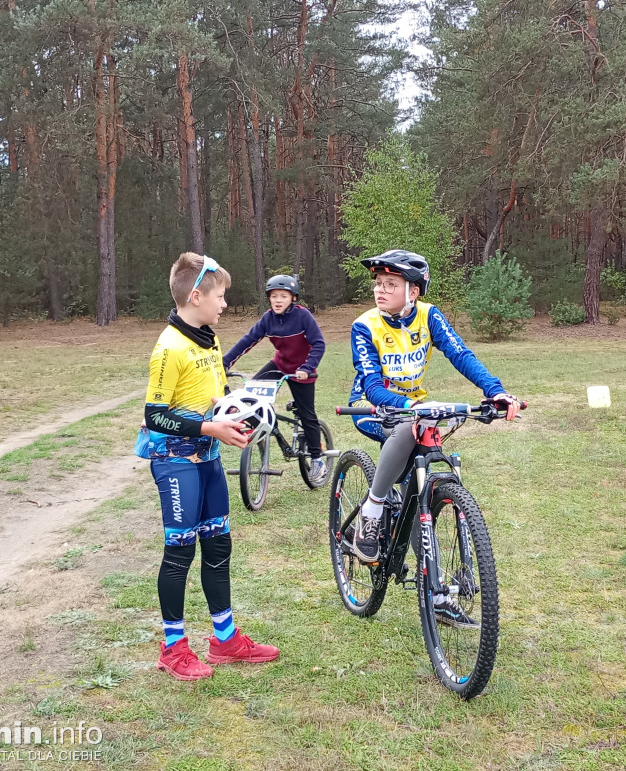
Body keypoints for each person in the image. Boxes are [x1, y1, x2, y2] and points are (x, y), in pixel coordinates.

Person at [347, 250, 521, 627]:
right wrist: (410, 406)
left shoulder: (429, 316)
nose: (380, 290)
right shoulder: (365, 325)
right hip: (370, 407)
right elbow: (373, 386)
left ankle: (438, 593)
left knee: (418, 489)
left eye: (390, 284)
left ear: (413, 291)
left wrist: (496, 391)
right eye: (378, 283)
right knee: (411, 429)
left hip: (416, 408)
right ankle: (373, 510)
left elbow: (462, 354)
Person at [135, 252, 280, 681]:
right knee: (179, 551)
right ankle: (173, 648)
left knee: (218, 546)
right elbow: (155, 415)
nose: (224, 305)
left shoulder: (208, 338)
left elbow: (213, 396)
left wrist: (233, 410)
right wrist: (211, 428)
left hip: (209, 459)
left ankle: (225, 639)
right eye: (219, 296)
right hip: (175, 461)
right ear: (195, 296)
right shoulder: (169, 347)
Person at [222, 275, 328, 483]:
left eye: (283, 296)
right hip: (280, 365)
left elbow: (319, 344)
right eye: (274, 296)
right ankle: (259, 434)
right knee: (250, 398)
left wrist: (307, 367)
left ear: (293, 298)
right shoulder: (268, 319)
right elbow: (248, 340)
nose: (278, 300)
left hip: (302, 371)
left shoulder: (303, 316)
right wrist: (224, 363)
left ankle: (317, 459)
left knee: (307, 414)